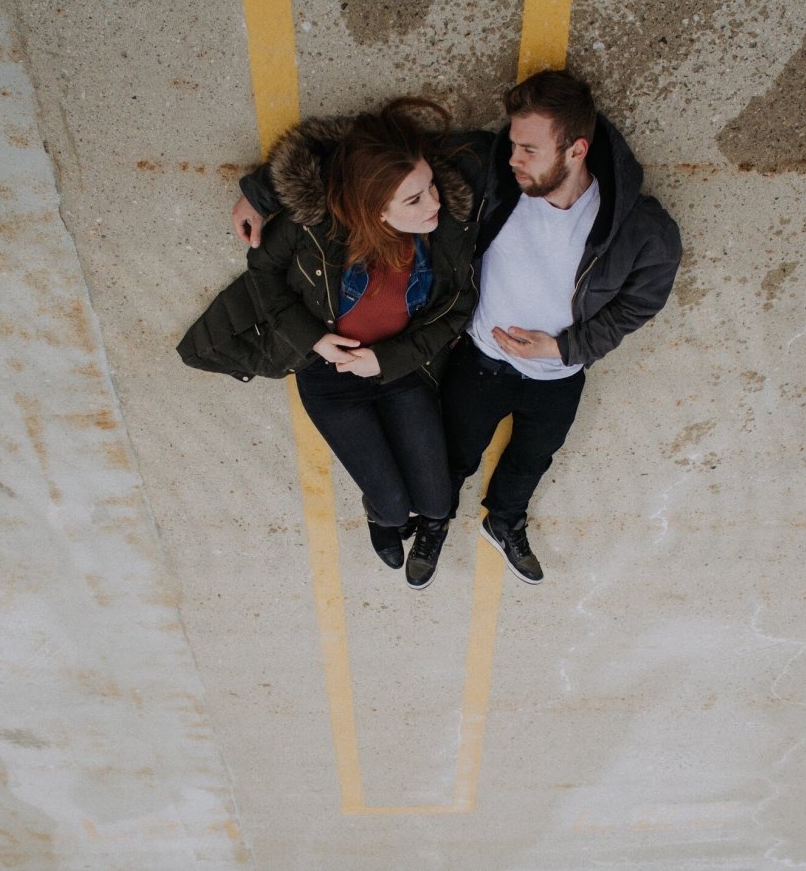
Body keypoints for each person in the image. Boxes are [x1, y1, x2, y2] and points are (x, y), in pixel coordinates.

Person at [232, 71, 681, 585]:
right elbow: (367, 151)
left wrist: (564, 347)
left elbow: (635, 307)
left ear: (576, 150)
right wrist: (261, 192)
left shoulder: (640, 230)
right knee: (453, 461)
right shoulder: (489, 169)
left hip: (559, 371)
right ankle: (429, 521)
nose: (514, 158)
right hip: (481, 363)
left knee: (534, 457)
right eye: (513, 144)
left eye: (529, 149)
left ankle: (505, 521)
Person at [185, 99, 478, 589]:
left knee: (435, 501)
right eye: (414, 200)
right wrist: (315, 340)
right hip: (329, 380)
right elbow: (263, 275)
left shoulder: (444, 229)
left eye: (430, 186)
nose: (435, 203)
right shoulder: (316, 229)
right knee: (390, 505)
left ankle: (431, 524)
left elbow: (458, 306)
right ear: (374, 207)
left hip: (400, 372)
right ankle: (380, 513)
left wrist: (387, 359)